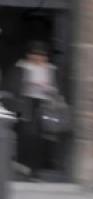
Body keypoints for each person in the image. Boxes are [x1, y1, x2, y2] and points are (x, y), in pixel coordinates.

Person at [8, 42, 57, 180]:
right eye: (35, 54)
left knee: (42, 139)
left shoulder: (51, 70)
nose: (38, 58)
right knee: (26, 137)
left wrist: (49, 89)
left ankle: (36, 170)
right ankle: (24, 169)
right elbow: (13, 87)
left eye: (41, 55)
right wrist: (27, 86)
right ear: (29, 55)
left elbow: (57, 90)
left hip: (45, 106)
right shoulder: (21, 67)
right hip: (26, 105)